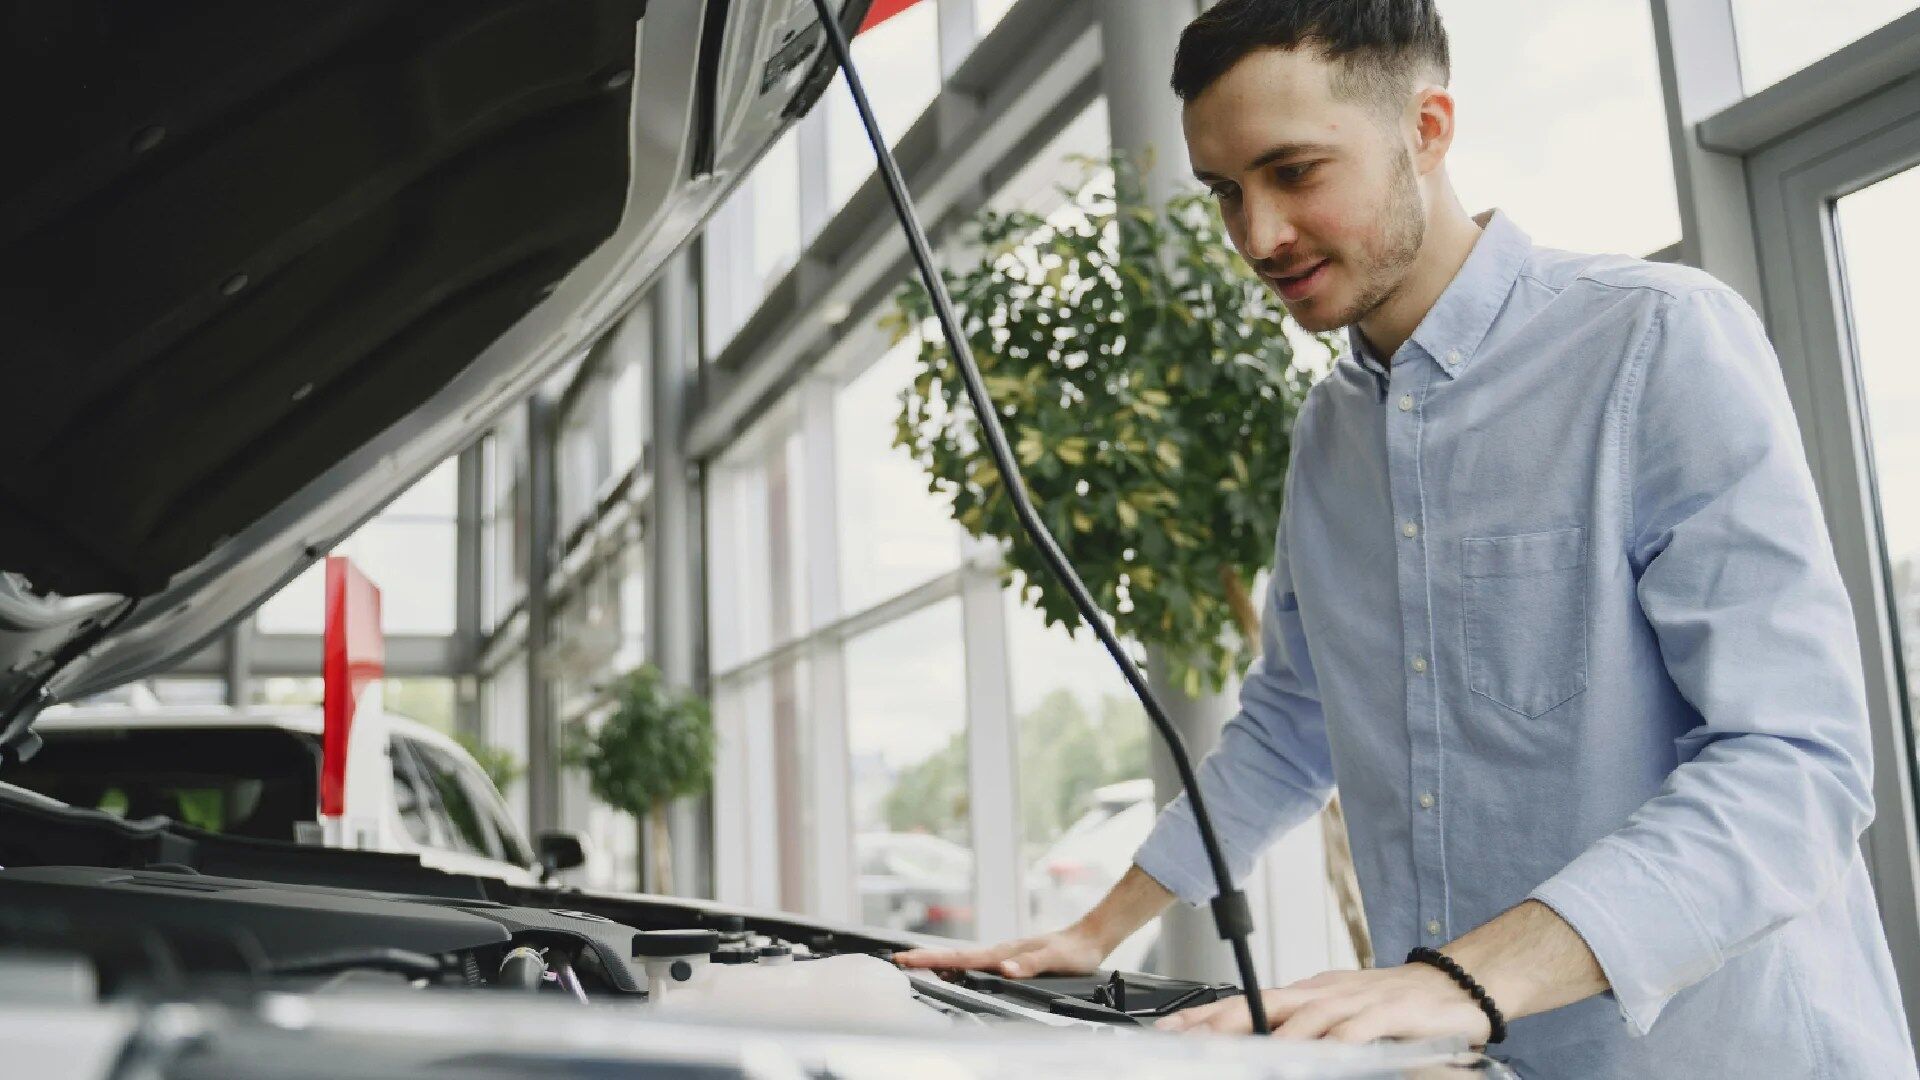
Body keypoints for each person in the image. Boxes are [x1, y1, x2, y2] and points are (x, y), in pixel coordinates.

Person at [894, 1, 1919, 1075]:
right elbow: (1290, 729)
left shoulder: (1654, 342)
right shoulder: (1328, 438)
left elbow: (1796, 765)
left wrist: (1463, 978)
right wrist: (1093, 933)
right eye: (1226, 193)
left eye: (1294, 172)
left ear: (1427, 129)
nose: (1258, 237)